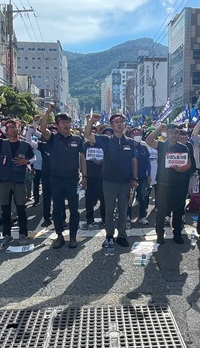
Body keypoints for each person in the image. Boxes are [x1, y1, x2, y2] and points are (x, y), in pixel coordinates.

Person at [85, 112, 138, 249]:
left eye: (121, 121)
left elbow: (134, 161)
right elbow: (87, 135)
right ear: (111, 125)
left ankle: (122, 236)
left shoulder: (130, 142)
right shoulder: (106, 140)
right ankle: (109, 235)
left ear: (124, 124)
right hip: (109, 181)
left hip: (125, 182)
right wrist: (91, 122)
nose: (119, 123)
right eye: (116, 121)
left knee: (123, 210)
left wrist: (135, 178)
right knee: (109, 210)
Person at [0, 114, 35, 247]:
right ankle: (7, 235)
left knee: (21, 208)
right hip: (4, 180)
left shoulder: (25, 145)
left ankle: (23, 234)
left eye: (15, 127)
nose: (12, 129)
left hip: (19, 180)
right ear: (6, 130)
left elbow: (34, 159)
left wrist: (27, 161)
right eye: (10, 127)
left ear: (19, 129)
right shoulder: (0, 143)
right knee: (5, 209)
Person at [38, 103, 86, 249]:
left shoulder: (77, 140)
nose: (65, 125)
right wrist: (49, 111)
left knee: (74, 210)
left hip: (72, 179)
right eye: (62, 122)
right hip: (56, 179)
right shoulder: (52, 138)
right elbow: (42, 128)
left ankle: (72, 237)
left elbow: (82, 158)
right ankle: (59, 236)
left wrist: (85, 177)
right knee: (57, 209)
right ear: (57, 125)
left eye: (67, 122)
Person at [146, 123, 193, 244]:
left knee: (178, 210)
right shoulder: (161, 145)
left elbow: (189, 164)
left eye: (176, 132)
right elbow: (149, 140)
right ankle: (160, 234)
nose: (174, 134)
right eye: (171, 132)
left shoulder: (184, 147)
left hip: (179, 183)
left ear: (178, 134)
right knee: (161, 211)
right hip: (163, 183)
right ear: (167, 133)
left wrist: (181, 169)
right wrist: (159, 129)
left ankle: (177, 234)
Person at [83, 125, 106, 228]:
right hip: (89, 176)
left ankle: (105, 218)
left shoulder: (102, 145)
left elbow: (108, 158)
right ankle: (89, 219)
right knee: (89, 199)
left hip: (102, 176)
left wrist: (100, 162)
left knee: (103, 198)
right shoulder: (84, 146)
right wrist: (83, 176)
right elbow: (81, 159)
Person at [129, 127, 151, 225]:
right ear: (130, 135)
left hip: (142, 177)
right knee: (128, 198)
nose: (137, 135)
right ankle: (128, 216)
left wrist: (149, 175)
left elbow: (148, 162)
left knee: (142, 197)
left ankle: (142, 216)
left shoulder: (144, 148)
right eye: (134, 133)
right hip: (129, 177)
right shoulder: (128, 147)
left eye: (139, 134)